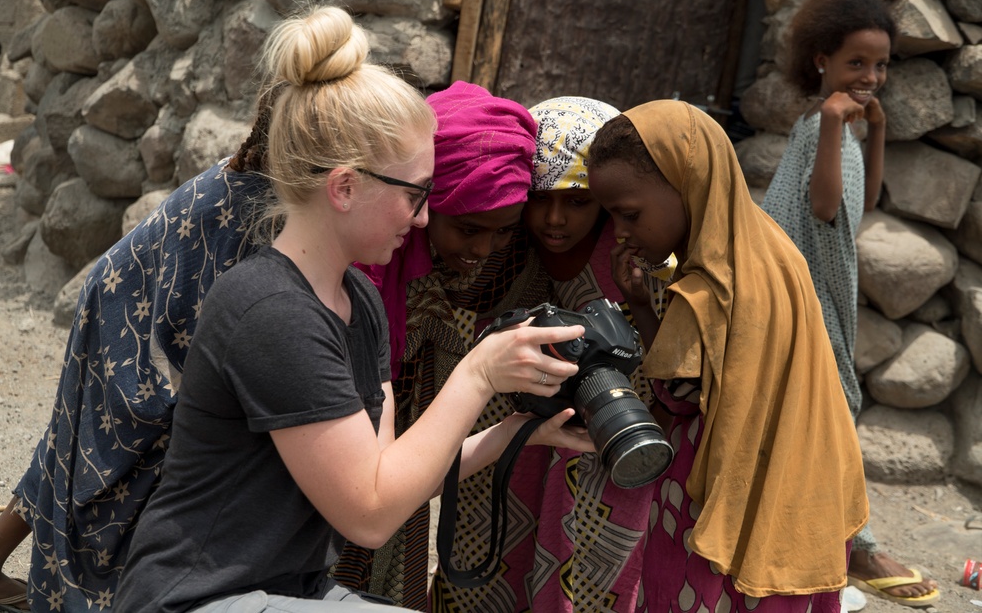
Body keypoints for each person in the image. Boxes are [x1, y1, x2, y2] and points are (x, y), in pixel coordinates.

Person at [113, 6, 593, 613]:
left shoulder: (358, 300)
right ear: (344, 188)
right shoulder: (270, 312)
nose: (423, 218)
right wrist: (479, 374)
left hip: (289, 590)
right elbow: (369, 516)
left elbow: (390, 477)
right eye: (416, 195)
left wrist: (519, 430)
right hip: (196, 598)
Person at [0, 85, 283, 613]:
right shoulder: (264, 198)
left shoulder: (263, 178)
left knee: (74, 440)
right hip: (133, 317)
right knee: (116, 465)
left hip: (128, 300)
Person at [587, 99, 868, 611]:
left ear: (689, 184)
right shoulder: (769, 247)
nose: (620, 231)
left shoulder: (704, 290)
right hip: (804, 482)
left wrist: (641, 313)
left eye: (629, 213)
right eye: (610, 216)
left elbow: (676, 395)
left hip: (719, 493)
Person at [431, 95, 676, 611]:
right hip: (507, 437)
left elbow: (672, 368)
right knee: (486, 547)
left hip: (605, 443)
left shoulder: (640, 261)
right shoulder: (496, 249)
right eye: (540, 197)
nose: (555, 220)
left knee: (588, 576)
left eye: (579, 201)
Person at [331, 80, 552, 610]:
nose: (483, 250)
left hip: (406, 477)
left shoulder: (506, 264)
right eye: (470, 229)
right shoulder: (359, 279)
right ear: (426, 203)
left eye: (502, 233)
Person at [760, 0, 940, 608]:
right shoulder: (819, 123)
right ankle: (853, 546)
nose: (871, 75)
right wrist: (837, 125)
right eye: (856, 62)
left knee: (826, 409)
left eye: (882, 64)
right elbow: (823, 205)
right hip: (802, 295)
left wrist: (878, 131)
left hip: (823, 289)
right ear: (821, 61)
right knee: (833, 407)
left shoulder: (848, 124)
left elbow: (863, 204)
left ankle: (835, 546)